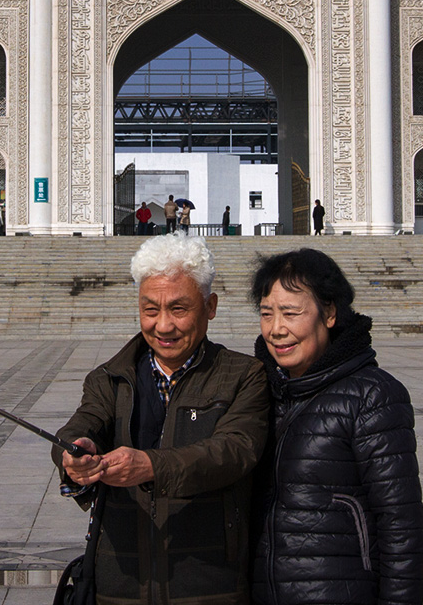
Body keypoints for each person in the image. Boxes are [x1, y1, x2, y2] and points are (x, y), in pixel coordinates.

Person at [55, 234, 269, 605]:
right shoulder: (110, 378)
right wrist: (75, 452)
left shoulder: (244, 375)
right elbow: (85, 422)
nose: (163, 326)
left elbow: (234, 451)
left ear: (210, 306)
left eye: (179, 309)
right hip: (119, 586)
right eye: (150, 310)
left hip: (209, 584)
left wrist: (152, 465)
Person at [249, 248, 423, 605]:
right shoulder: (258, 391)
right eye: (267, 314)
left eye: (291, 313)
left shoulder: (371, 395)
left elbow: (400, 526)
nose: (276, 329)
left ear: (329, 313)